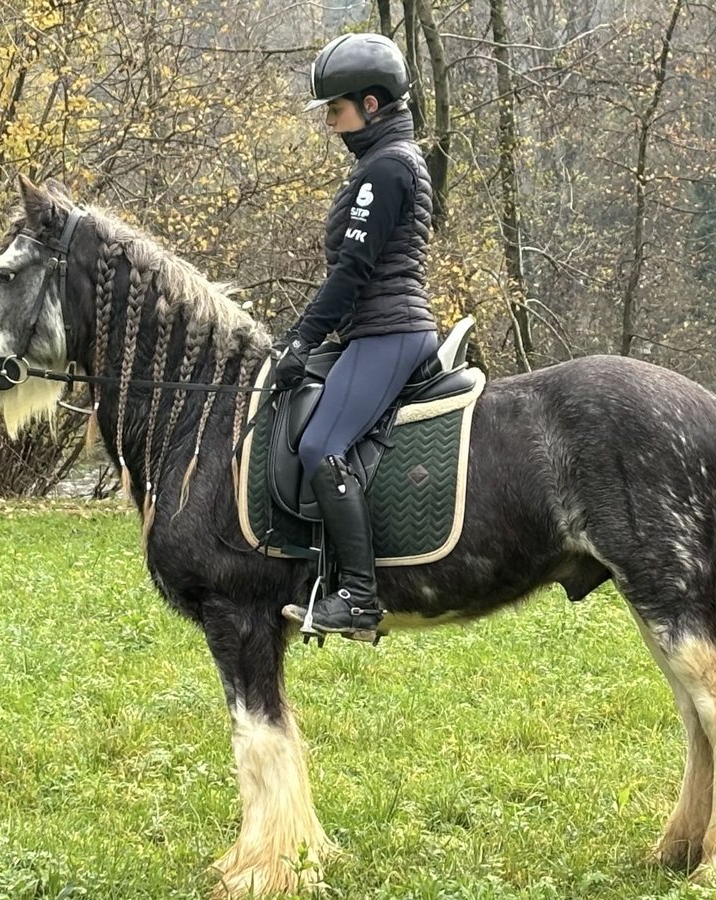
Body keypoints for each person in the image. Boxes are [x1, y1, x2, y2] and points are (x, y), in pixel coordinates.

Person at [276, 33, 439, 641]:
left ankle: (361, 599)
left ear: (372, 104)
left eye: (336, 110)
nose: (330, 124)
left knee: (322, 447)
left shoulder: (387, 168)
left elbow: (353, 270)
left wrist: (302, 338)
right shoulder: (385, 163)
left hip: (387, 331)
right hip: (372, 331)